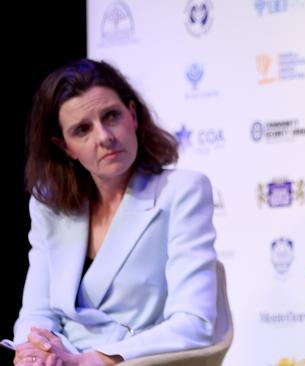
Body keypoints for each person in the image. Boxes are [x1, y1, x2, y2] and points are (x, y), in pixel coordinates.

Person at [12, 59, 219, 365]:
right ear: (65, 146)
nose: (104, 136)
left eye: (111, 116)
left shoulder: (182, 191)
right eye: (82, 130)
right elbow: (37, 312)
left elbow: (195, 324)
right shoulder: (49, 205)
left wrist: (87, 361)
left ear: (132, 116)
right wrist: (34, 351)